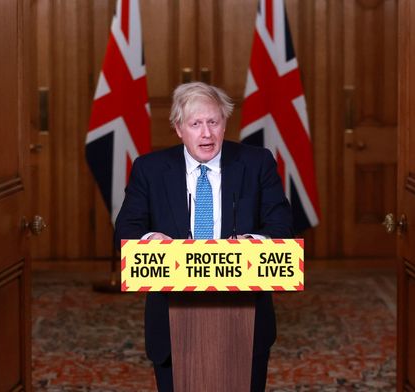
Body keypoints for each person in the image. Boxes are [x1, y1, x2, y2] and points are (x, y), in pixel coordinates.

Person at [114, 81, 293, 391]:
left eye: (213, 121)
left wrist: (251, 245)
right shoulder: (150, 169)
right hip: (171, 320)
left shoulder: (256, 163)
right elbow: (126, 230)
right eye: (195, 124)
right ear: (178, 128)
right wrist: (151, 240)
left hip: (245, 319)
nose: (206, 133)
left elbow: (282, 225)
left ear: (225, 123)